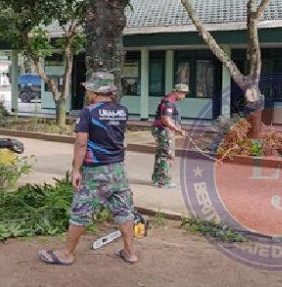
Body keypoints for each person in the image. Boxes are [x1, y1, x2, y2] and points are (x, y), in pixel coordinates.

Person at [38, 72, 138, 265]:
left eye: (90, 89)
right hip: (118, 170)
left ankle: (66, 253)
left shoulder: (88, 112)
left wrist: (76, 170)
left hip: (95, 172)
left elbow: (81, 143)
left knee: (81, 211)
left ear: (95, 91)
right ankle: (130, 252)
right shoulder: (123, 111)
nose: (88, 92)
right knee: (124, 211)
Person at [151, 83, 189, 188]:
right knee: (168, 155)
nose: (184, 97)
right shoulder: (169, 103)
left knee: (160, 154)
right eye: (183, 94)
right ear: (177, 92)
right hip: (164, 131)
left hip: (161, 130)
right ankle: (164, 181)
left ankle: (156, 178)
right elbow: (166, 120)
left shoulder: (167, 101)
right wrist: (179, 130)